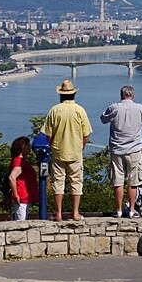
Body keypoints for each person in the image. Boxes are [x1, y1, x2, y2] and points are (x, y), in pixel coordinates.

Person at [41, 80, 93, 222]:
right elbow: (86, 134)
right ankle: (75, 213)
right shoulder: (80, 110)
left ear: (61, 95)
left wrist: (53, 146)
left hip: (58, 151)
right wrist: (80, 146)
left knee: (58, 182)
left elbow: (48, 134)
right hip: (75, 151)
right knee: (76, 182)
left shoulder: (54, 110)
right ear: (74, 94)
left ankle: (58, 213)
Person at [100, 85, 142, 218]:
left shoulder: (114, 107)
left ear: (121, 95)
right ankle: (132, 210)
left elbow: (103, 119)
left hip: (117, 149)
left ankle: (118, 210)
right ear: (132, 95)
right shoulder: (140, 108)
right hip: (134, 149)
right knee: (133, 181)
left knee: (118, 181)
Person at [9, 136, 39, 221]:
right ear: (22, 147)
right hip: (21, 196)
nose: (29, 147)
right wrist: (15, 195)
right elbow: (12, 177)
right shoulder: (19, 161)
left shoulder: (23, 161)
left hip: (25, 197)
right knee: (21, 221)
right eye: (27, 145)